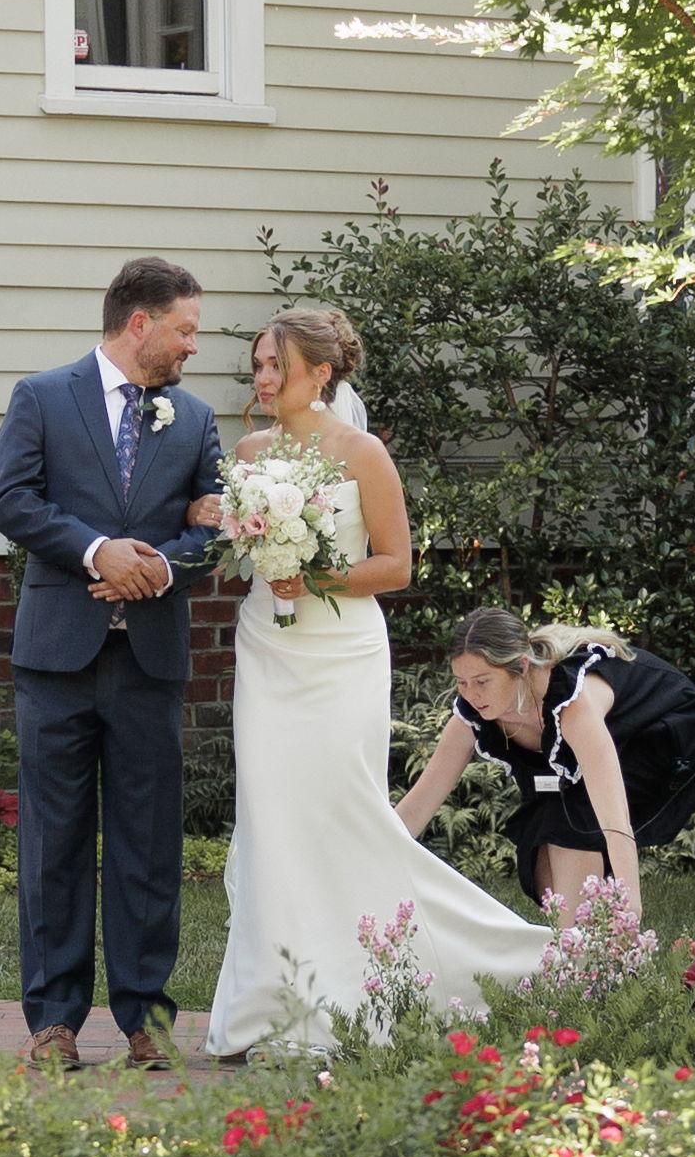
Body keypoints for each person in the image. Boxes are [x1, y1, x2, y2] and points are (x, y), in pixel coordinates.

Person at [195, 309, 551, 1060]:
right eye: (258, 365)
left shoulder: (363, 453)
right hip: (267, 650)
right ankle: (268, 1006)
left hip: (341, 653)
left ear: (321, 372)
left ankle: (444, 970)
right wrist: (224, 522)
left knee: (343, 812)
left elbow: (396, 564)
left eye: (277, 365)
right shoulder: (249, 452)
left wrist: (314, 577)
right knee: (271, 819)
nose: (263, 379)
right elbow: (236, 545)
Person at [0, 257, 228, 1072]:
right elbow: (13, 501)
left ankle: (146, 1020)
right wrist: (98, 551)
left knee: (148, 845)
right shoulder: (41, 397)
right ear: (140, 323)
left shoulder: (194, 418)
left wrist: (156, 566)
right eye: (185, 330)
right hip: (57, 659)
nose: (192, 347)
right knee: (53, 843)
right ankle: (53, 1023)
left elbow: (216, 528)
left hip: (148, 661)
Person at [400, 609, 695, 925]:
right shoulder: (471, 714)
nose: (471, 694)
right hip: (595, 751)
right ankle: (580, 935)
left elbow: (613, 817)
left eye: (482, 681)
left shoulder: (571, 701)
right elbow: (417, 807)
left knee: (572, 821)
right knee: (548, 843)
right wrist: (377, 855)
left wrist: (630, 903)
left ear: (521, 667)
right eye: (462, 682)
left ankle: (584, 943)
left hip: (664, 733)